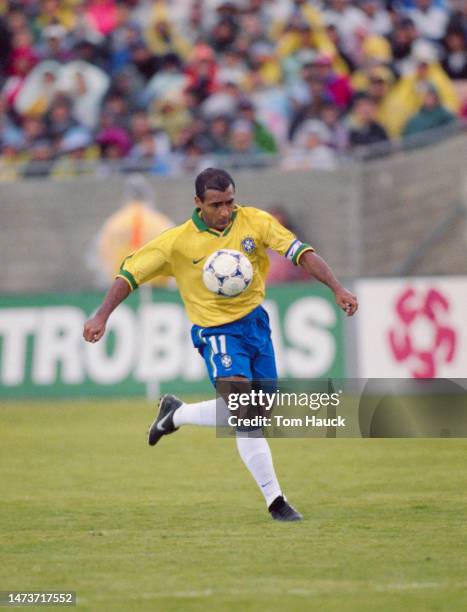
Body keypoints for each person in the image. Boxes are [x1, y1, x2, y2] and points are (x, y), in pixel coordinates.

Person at [83, 167, 358, 522]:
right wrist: (101, 315)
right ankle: (277, 502)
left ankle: (176, 413)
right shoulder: (176, 242)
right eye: (216, 204)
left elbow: (300, 253)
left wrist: (337, 288)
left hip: (256, 324)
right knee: (245, 410)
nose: (225, 211)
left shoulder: (255, 221)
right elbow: (129, 274)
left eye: (230, 202)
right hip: (216, 331)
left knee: (257, 410)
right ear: (198, 203)